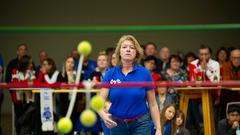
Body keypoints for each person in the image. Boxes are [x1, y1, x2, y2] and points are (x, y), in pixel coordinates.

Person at [98, 35, 162, 135]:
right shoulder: (110, 73)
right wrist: (103, 115)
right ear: (119, 52)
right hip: (117, 123)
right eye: (124, 47)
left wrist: (158, 128)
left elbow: (153, 104)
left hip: (141, 124)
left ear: (136, 53)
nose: (128, 50)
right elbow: (99, 102)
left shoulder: (145, 73)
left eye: (132, 47)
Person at [11, 55, 37, 135]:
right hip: (18, 100)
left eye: (31, 63)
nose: (32, 65)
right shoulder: (15, 71)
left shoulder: (33, 72)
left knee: (27, 121)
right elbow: (15, 84)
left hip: (29, 100)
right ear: (24, 63)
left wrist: (26, 82)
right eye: (30, 63)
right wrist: (27, 82)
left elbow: (34, 84)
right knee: (19, 121)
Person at [220, 48, 240, 119]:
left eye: (238, 58)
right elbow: (227, 81)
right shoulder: (226, 65)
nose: (236, 60)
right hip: (228, 96)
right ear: (230, 58)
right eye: (234, 58)